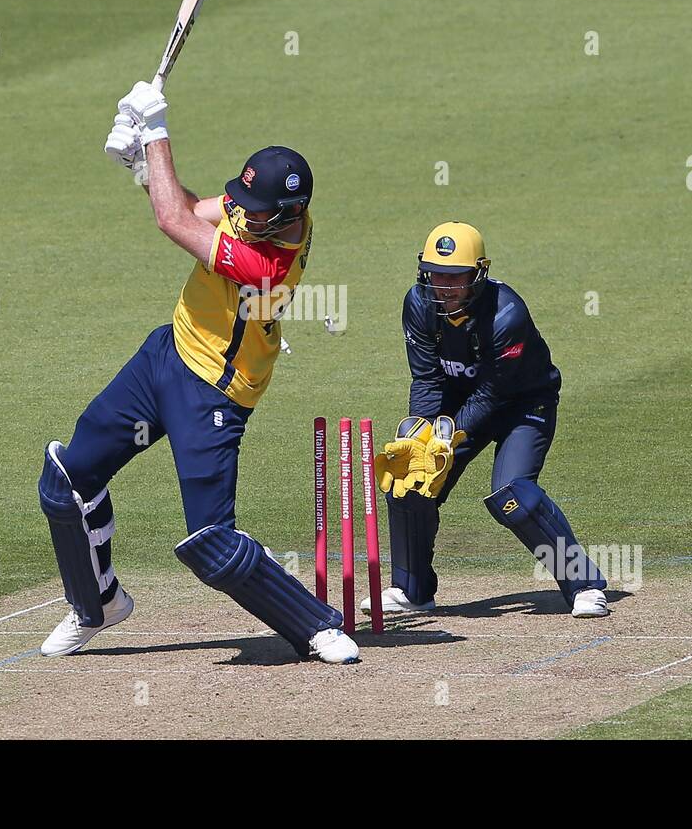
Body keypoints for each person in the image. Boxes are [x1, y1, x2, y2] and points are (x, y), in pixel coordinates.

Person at [35, 81, 357, 663]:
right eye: (242, 203)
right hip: (165, 355)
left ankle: (314, 624)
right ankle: (96, 604)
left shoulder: (268, 264)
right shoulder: (253, 214)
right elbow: (184, 207)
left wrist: (155, 131)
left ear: (290, 214)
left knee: (210, 544)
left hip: (214, 390)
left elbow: (170, 222)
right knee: (66, 479)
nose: (241, 214)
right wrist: (140, 162)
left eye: (256, 212)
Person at [366, 221, 610, 618]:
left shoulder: (507, 314)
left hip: (523, 404)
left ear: (477, 274)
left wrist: (447, 438)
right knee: (411, 481)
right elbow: (426, 378)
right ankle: (413, 591)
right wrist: (423, 436)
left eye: (454, 277)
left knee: (512, 495)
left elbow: (494, 392)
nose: (443, 286)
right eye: (435, 274)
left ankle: (583, 585)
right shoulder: (418, 304)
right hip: (460, 400)